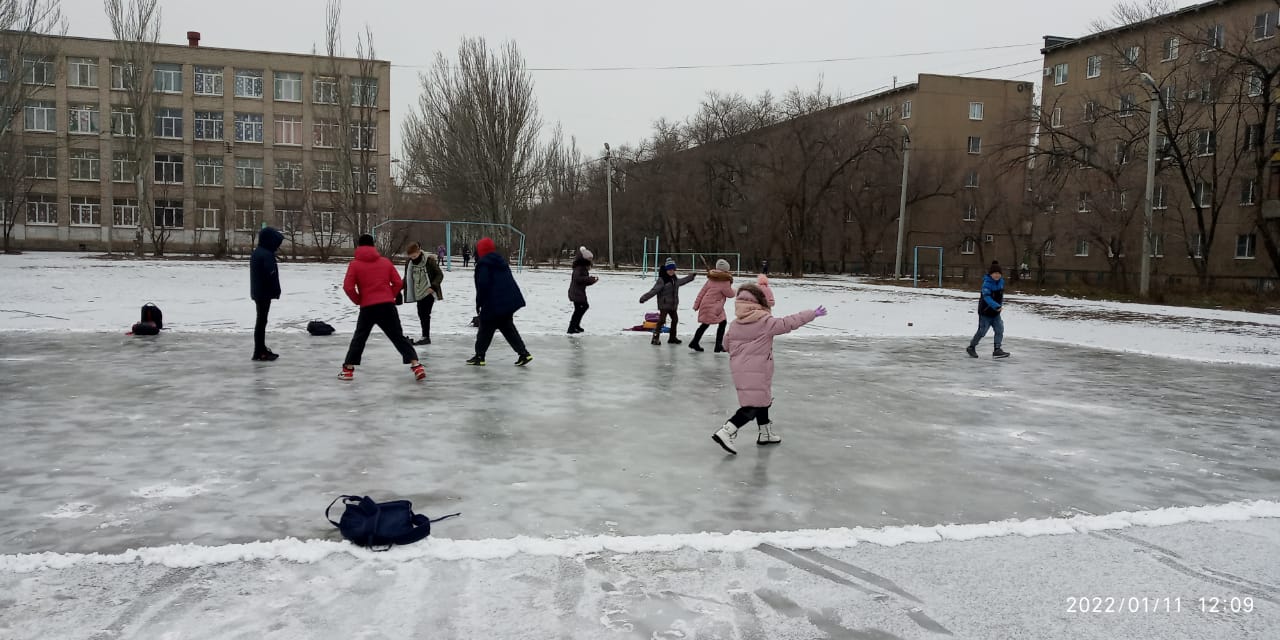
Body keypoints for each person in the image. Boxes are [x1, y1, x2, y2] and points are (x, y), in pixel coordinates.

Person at [712, 284, 827, 454]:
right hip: (757, 369)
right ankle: (727, 431)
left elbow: (726, 345)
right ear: (760, 302)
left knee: (761, 400)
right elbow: (788, 323)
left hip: (740, 369)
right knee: (753, 405)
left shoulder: (735, 324)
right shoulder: (765, 322)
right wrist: (811, 314)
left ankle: (765, 433)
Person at [338, 234, 425, 381]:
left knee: (359, 338)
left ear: (358, 247)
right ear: (373, 246)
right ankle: (416, 365)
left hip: (368, 308)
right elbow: (398, 282)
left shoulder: (355, 264)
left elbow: (348, 287)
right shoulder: (385, 262)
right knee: (397, 336)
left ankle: (348, 370)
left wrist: (359, 300)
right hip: (387, 306)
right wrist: (389, 295)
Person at [469, 237, 533, 366]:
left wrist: (479, 303)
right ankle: (524, 354)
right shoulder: (500, 261)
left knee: (485, 329)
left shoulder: (484, 264)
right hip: (507, 302)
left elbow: (483, 285)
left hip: (494, 303)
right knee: (507, 328)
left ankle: (479, 356)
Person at [639, 258, 696, 345]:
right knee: (661, 321)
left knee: (675, 320)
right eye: (669, 270)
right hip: (664, 304)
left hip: (673, 305)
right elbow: (654, 290)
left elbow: (682, 281)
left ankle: (672, 338)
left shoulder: (674, 279)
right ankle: (655, 338)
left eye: (673, 270)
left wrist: (691, 277)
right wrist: (644, 298)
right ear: (666, 270)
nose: (671, 271)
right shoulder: (662, 280)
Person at [249, 227, 284, 361]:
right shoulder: (266, 254)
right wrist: (276, 290)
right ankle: (259, 351)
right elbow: (271, 274)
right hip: (264, 293)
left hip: (259, 292)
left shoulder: (258, 252)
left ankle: (260, 349)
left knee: (261, 321)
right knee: (262, 321)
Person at [689, 259, 735, 352]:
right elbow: (730, 294)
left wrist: (696, 305)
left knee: (707, 324)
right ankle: (717, 345)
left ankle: (695, 342)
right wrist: (735, 290)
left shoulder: (711, 279)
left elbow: (702, 292)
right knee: (720, 323)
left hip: (707, 305)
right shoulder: (725, 281)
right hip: (714, 307)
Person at [967, 261, 1010, 359]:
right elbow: (987, 297)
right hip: (985, 312)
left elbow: (1000, 296)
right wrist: (996, 306)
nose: (997, 275)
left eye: (998, 273)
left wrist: (999, 306)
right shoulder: (986, 284)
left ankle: (997, 350)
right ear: (990, 274)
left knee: (999, 329)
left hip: (995, 313)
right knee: (982, 331)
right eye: (995, 273)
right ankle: (971, 347)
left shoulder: (1001, 283)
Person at [404, 242, 443, 345]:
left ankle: (426, 336)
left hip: (428, 291)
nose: (413, 258)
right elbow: (406, 278)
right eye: (411, 257)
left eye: (415, 256)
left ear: (419, 252)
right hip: (418, 292)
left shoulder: (429, 261)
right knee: (421, 313)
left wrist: (433, 286)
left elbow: (439, 274)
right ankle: (425, 336)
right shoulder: (409, 263)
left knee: (425, 314)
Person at [567, 246, 598, 334]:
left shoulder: (582, 267)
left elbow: (583, 281)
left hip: (578, 292)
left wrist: (591, 280)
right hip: (576, 293)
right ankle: (572, 327)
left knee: (581, 308)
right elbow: (578, 279)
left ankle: (575, 326)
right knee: (582, 308)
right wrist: (589, 279)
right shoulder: (579, 268)